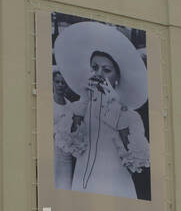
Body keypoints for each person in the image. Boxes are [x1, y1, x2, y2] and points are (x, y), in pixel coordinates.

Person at [52, 20, 150, 200]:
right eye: (95, 67)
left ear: (117, 77)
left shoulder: (129, 114)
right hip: (83, 184)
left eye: (106, 70)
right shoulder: (78, 107)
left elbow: (136, 160)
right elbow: (67, 145)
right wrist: (83, 103)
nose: (99, 74)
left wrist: (114, 106)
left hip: (116, 186)